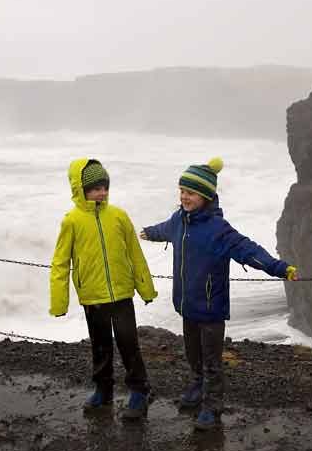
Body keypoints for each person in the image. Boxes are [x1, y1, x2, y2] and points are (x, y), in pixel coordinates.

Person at [140, 157, 299, 430]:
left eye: (190, 193)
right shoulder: (180, 219)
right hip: (187, 305)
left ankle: (212, 406)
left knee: (212, 360)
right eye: (181, 191)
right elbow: (165, 229)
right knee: (193, 354)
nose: (184, 197)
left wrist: (280, 269)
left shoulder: (218, 230)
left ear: (205, 195)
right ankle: (197, 385)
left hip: (211, 309)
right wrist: (148, 233)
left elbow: (250, 251)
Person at [50, 158, 158, 419]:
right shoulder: (72, 221)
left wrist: (145, 289)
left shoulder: (118, 216)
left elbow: (135, 254)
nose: (102, 193)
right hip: (92, 296)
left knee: (128, 343)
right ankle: (103, 390)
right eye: (95, 188)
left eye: (105, 187)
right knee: (100, 346)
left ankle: (139, 392)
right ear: (80, 189)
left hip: (122, 294)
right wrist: (59, 302)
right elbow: (60, 262)